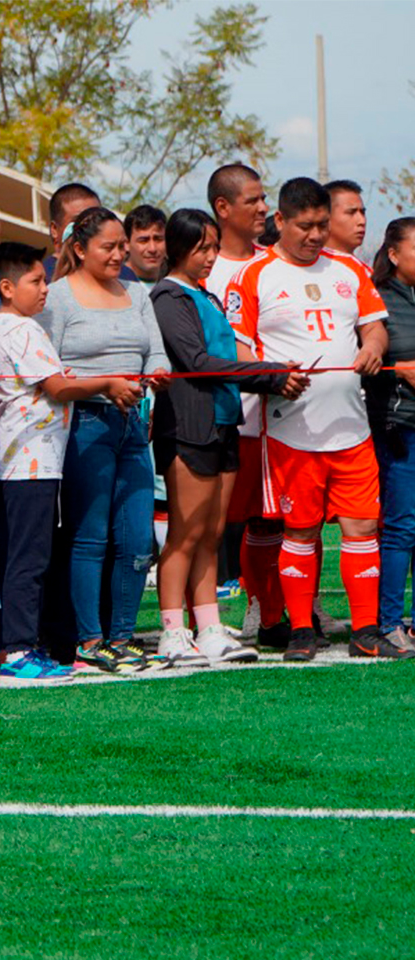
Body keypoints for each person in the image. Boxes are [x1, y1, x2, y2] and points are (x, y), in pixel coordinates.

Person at [226, 177, 396, 661]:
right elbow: (239, 348)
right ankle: (300, 629)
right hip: (289, 430)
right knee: (300, 530)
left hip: (351, 426)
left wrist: (371, 348)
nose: (316, 235)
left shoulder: (349, 268)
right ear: (280, 221)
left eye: (323, 224)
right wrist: (273, 377)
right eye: (306, 226)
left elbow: (375, 328)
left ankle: (365, 631)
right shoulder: (255, 274)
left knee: (362, 526)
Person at [150, 208, 309, 668]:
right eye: (201, 248)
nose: (210, 257)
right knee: (184, 532)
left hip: (222, 422)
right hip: (187, 426)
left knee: (211, 533)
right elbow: (197, 363)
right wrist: (270, 374)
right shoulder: (168, 297)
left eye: (214, 248)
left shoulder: (209, 297)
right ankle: (172, 631)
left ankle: (209, 625)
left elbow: (228, 360)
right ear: (178, 250)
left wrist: (276, 376)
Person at [0, 242, 135, 684]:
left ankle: (25, 645)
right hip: (28, 461)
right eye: (35, 281)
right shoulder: (20, 329)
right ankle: (17, 651)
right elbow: (56, 387)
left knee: (31, 556)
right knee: (28, 559)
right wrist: (108, 382)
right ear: (8, 287)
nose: (45, 289)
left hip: (32, 459)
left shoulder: (9, 326)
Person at [38, 206, 169, 672]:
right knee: (90, 536)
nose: (119, 255)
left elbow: (156, 350)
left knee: (136, 538)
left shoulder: (136, 293)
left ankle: (124, 636)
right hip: (83, 425)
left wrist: (155, 374)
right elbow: (45, 365)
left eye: (121, 246)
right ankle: (89, 641)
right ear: (79, 248)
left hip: (133, 423)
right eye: (108, 247)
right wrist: (102, 384)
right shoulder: (57, 297)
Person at [206, 162, 287, 647]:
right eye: (253, 200)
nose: (263, 208)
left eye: (264, 199)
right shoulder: (205, 267)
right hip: (225, 418)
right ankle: (213, 616)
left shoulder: (276, 262)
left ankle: (277, 604)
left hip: (279, 417)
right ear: (223, 208)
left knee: (276, 516)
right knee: (219, 522)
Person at [368, 218, 415, 649]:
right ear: (395, 255)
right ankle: (389, 622)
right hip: (399, 428)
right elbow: (365, 361)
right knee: (401, 526)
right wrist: (396, 369)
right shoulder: (377, 298)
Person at [124, 204, 167, 285]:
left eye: (158, 239)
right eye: (143, 241)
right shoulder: (113, 286)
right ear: (126, 244)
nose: (152, 249)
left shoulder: (175, 287)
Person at [325, 180, 368, 258]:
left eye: (362, 212)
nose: (362, 221)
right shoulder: (312, 266)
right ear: (326, 219)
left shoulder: (364, 269)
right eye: (351, 212)